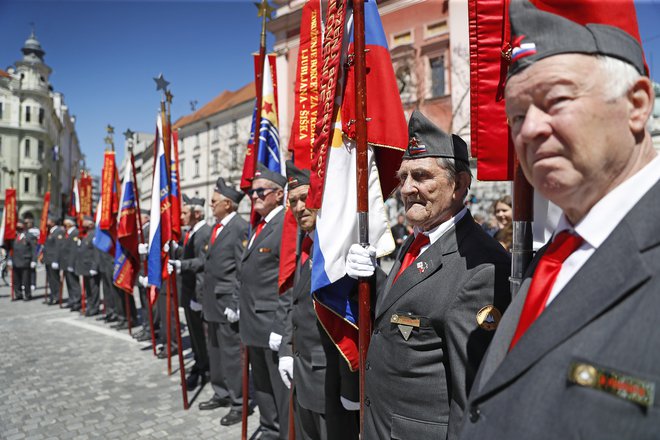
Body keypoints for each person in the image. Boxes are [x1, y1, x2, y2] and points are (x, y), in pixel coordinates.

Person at [458, 2, 659, 439]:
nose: (528, 130)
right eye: (516, 115)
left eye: (556, 100)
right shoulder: (555, 255)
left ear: (637, 104)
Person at [347, 110, 512, 439]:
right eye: (403, 176)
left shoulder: (479, 265)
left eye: (421, 176)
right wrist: (369, 281)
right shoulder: (420, 235)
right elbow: (408, 308)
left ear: (460, 184)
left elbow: (472, 398)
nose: (407, 188)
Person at [278, 161, 360, 440]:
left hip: (331, 383)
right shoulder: (305, 246)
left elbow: (353, 323)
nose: (299, 207)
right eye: (293, 202)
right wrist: (286, 352)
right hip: (303, 378)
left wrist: (351, 389)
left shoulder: (339, 250)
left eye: (304, 198)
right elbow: (295, 306)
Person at [239, 163, 289, 439]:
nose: (254, 196)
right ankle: (270, 428)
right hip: (252, 321)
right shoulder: (260, 226)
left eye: (260, 191)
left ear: (279, 194)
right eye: (251, 192)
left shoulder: (285, 224)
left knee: (278, 386)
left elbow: (288, 282)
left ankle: (283, 431)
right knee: (262, 384)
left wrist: (280, 327)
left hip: (271, 322)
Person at [198, 177, 250, 426]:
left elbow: (242, 269)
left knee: (231, 355)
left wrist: (235, 302)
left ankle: (239, 402)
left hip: (227, 302)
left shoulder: (239, 227)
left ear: (228, 204)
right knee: (216, 352)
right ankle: (221, 392)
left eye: (214, 201)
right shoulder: (217, 227)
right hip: (212, 301)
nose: (211, 205)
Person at [168, 197, 212, 389]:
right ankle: (199, 364)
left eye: (185, 213)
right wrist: (177, 251)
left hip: (198, 291)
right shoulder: (192, 232)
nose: (182, 216)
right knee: (194, 335)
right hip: (189, 290)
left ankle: (205, 368)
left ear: (196, 214)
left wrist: (181, 264)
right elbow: (190, 254)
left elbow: (203, 262)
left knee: (202, 337)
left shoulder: (204, 233)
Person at [77, 216, 101, 316]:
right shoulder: (86, 234)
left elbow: (96, 252)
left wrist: (94, 267)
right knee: (88, 289)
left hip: (91, 266)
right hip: (85, 267)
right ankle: (90, 306)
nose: (83, 223)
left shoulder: (95, 234)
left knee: (93, 289)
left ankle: (94, 308)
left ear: (91, 223)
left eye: (85, 222)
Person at [9, 219, 37, 300]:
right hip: (15, 260)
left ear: (24, 226)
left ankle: (27, 295)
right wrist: (10, 259)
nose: (18, 227)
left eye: (20, 225)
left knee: (26, 280)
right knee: (16, 280)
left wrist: (34, 260)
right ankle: (18, 294)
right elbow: (11, 249)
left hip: (25, 260)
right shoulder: (14, 236)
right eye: (17, 225)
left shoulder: (29, 236)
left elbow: (33, 249)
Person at [42, 214, 65, 305]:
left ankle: (57, 297)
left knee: (55, 279)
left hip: (53, 260)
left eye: (48, 220)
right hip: (48, 259)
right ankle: (52, 295)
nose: (46, 222)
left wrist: (56, 260)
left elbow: (58, 247)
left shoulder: (58, 231)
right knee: (51, 279)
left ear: (52, 222)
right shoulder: (50, 231)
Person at [61, 216, 82, 310]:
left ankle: (77, 301)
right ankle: (71, 300)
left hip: (72, 263)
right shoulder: (67, 233)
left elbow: (74, 250)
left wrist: (71, 264)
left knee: (74, 283)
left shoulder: (75, 233)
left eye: (66, 222)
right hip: (66, 263)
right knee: (69, 283)